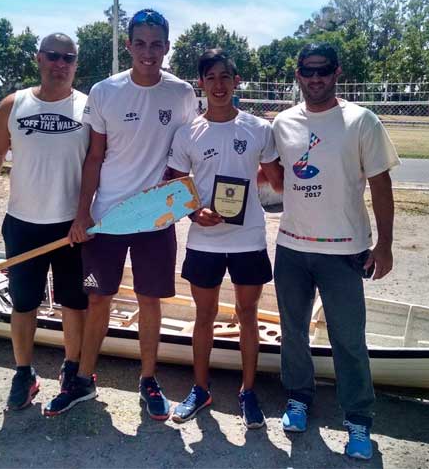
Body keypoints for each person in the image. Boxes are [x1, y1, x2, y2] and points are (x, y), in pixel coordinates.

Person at [46, 9, 197, 420]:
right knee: (99, 299)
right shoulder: (105, 91)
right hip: (106, 218)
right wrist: (82, 216)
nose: (148, 52)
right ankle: (83, 380)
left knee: (151, 301)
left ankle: (148, 380)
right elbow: (94, 158)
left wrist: (178, 199)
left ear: (167, 47)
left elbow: (185, 156)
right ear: (128, 45)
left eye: (157, 44)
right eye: (141, 43)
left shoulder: (182, 94)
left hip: (153, 221)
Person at [267, 43, 399, 460]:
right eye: (308, 70)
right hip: (292, 248)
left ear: (337, 72)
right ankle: (299, 399)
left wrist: (385, 245)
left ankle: (358, 421)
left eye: (324, 70)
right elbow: (270, 177)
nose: (316, 77)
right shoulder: (282, 123)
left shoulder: (362, 121)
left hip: (345, 252)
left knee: (348, 340)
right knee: (293, 331)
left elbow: (381, 185)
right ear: (298, 74)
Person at [164, 49, 283, 428]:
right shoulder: (188, 133)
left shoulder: (259, 129)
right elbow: (176, 187)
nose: (218, 84)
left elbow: (277, 181)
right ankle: (200, 389)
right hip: (204, 241)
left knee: (248, 316)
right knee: (205, 316)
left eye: (225, 77)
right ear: (202, 82)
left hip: (248, 240)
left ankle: (248, 392)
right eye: (211, 77)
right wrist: (193, 211)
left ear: (237, 81)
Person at [0, 33, 89, 412]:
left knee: (74, 303)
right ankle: (24, 373)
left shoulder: (90, 109)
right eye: (53, 56)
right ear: (39, 59)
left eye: (68, 58)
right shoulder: (14, 105)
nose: (60, 64)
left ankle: (72, 370)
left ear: (76, 63)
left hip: (72, 227)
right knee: (24, 304)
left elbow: (99, 165)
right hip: (23, 223)